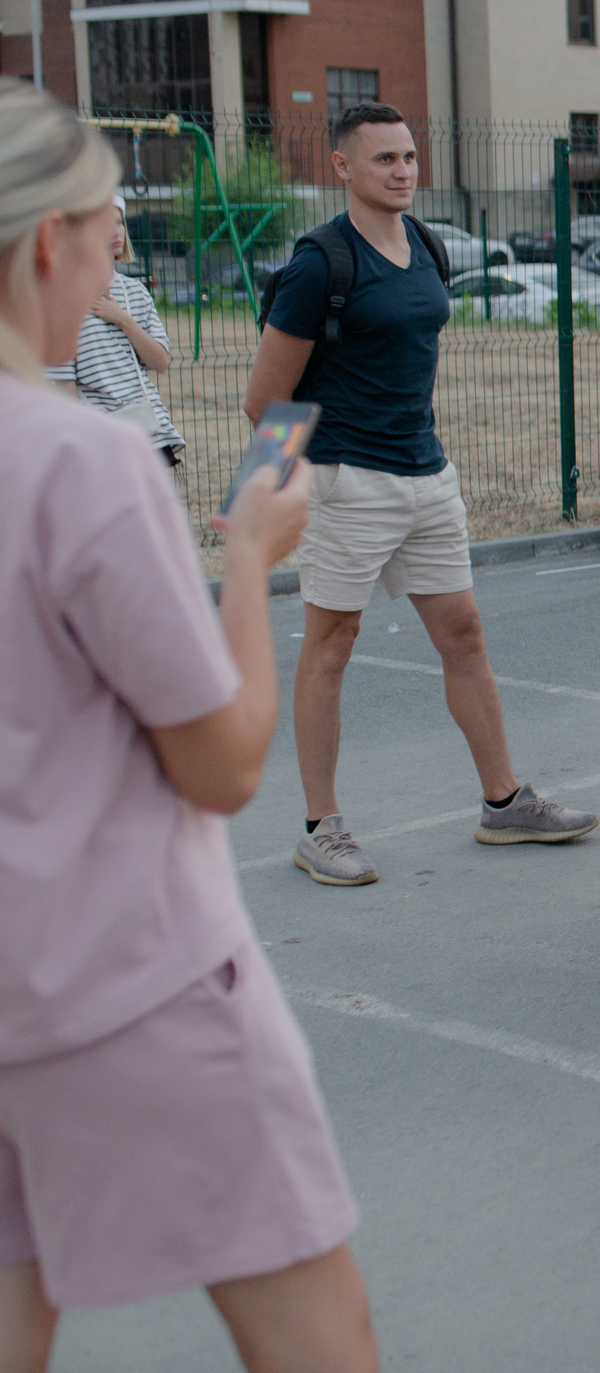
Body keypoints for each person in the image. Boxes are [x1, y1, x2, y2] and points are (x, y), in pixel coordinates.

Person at [0, 80, 376, 1371]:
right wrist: (251, 556)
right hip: (128, 973)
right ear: (47, 245)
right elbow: (219, 762)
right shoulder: (84, 461)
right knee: (316, 1335)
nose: (114, 259)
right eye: (106, 232)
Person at [244, 99, 594, 885]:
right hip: (345, 480)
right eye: (384, 159)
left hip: (427, 473)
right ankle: (321, 827)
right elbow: (266, 399)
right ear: (342, 167)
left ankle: (504, 802)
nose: (402, 170)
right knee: (332, 645)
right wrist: (260, 494)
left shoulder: (427, 244)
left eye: (408, 156)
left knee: (464, 633)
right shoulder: (319, 264)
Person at [45, 194, 184, 468]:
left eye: (119, 222)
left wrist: (122, 319)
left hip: (150, 432)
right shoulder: (64, 298)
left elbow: (160, 361)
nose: (115, 231)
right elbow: (64, 384)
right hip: (100, 439)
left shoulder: (136, 292)